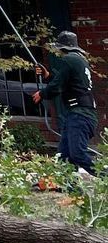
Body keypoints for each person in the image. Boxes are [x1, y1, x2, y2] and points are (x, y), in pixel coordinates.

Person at [33, 30, 97, 176]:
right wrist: (48, 76)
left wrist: (42, 94)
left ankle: (105, 177)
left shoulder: (70, 60)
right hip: (78, 114)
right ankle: (71, 190)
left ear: (63, 48)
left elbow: (56, 87)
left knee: (77, 154)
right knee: (64, 156)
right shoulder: (79, 60)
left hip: (80, 115)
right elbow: (64, 83)